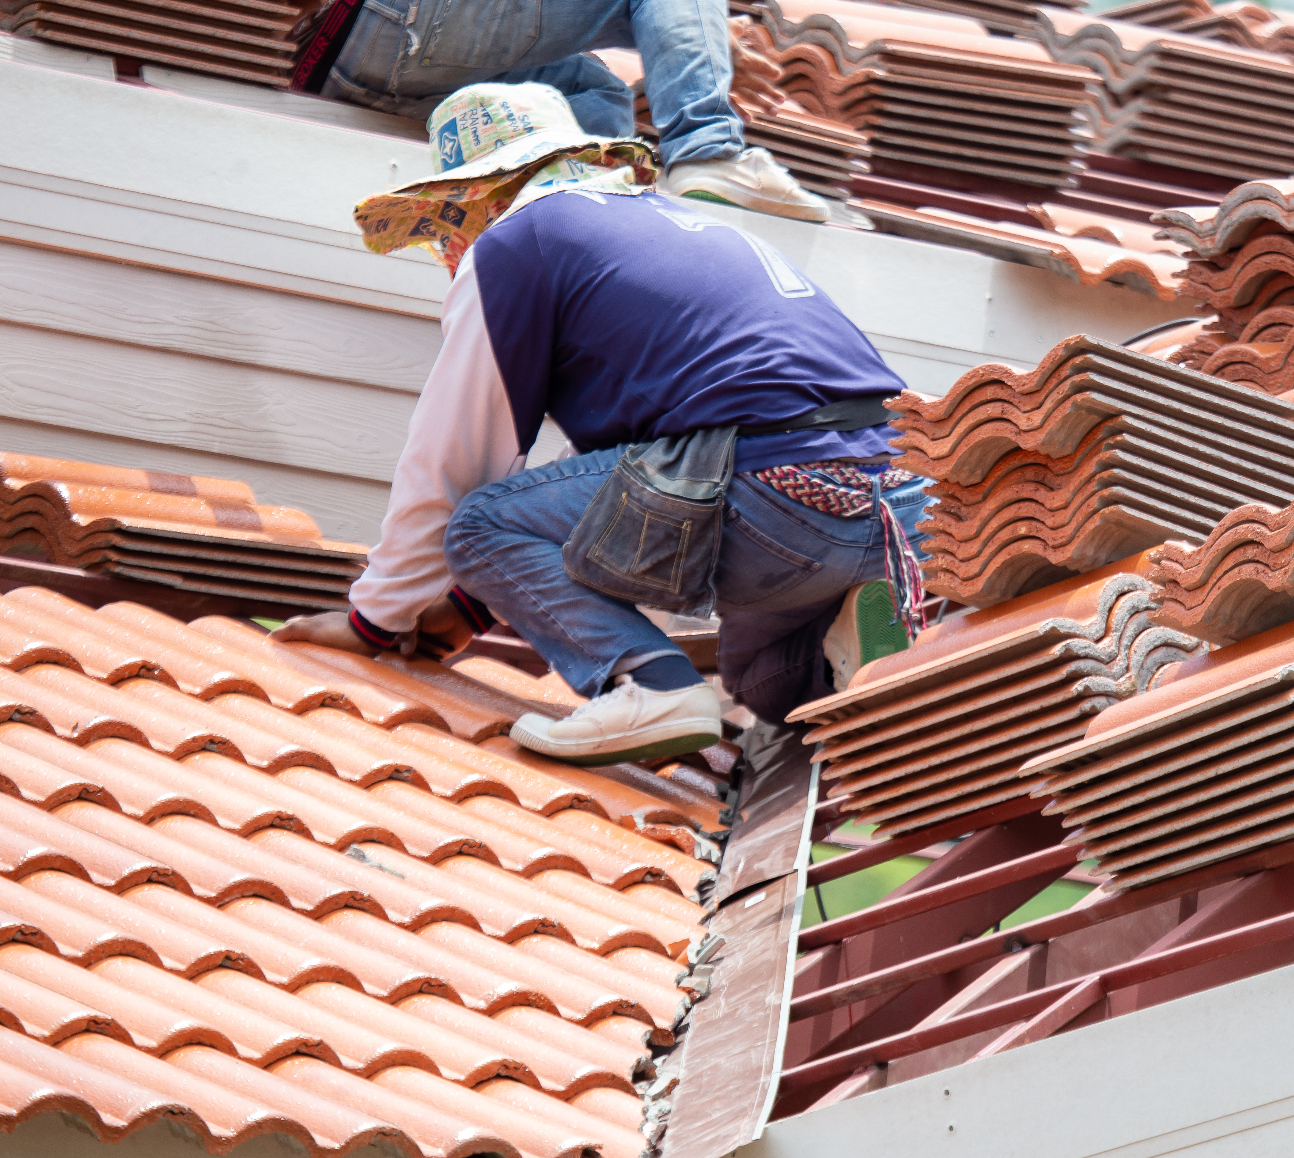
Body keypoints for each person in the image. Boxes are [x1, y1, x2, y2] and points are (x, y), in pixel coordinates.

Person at [275, 82, 927, 763]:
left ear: (480, 194)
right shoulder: (667, 226)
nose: (447, 248)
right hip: (898, 507)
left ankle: (650, 684)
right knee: (765, 684)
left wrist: (376, 619)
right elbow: (608, 489)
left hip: (776, 496)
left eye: (445, 223)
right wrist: (471, 606)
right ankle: (855, 647)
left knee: (476, 522)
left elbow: (453, 457)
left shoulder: (517, 242)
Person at [296, 0, 828, 222]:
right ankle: (708, 150)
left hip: (341, 63)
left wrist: (691, 36)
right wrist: (694, 31)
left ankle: (571, 216)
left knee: (595, 97)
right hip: (397, 18)